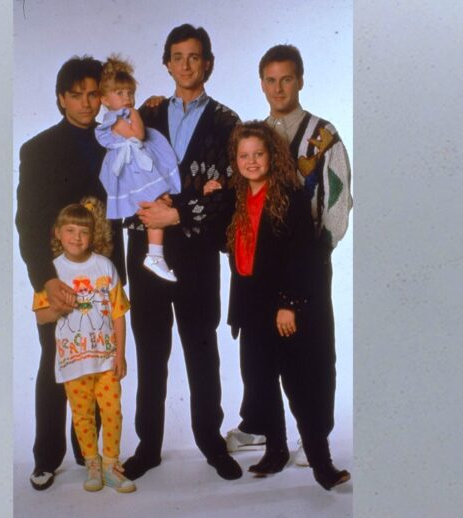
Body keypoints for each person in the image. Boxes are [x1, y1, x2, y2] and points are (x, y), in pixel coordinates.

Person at [121, 23, 242, 481]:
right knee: (151, 351)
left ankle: (211, 443)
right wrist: (158, 214)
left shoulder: (228, 122)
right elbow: (124, 174)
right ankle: (148, 446)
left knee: (201, 348)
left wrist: (179, 214)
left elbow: (228, 192)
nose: (186, 64)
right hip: (147, 252)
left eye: (195, 56)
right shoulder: (145, 116)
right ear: (166, 63)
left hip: (195, 255)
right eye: (177, 56)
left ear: (207, 63)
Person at [224, 44, 352, 469]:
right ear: (261, 83)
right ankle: (269, 434)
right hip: (263, 271)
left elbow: (337, 200)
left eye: (287, 79)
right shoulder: (255, 133)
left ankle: (316, 437)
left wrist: (316, 256)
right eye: (270, 80)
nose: (278, 88)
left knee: (310, 356)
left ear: (300, 80)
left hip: (307, 264)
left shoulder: (322, 135)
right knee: (262, 357)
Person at [15, 55, 126, 491]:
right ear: (61, 98)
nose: (86, 103)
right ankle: (46, 456)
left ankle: (89, 452)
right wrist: (46, 279)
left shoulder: (112, 141)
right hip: (58, 276)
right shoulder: (38, 149)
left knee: (97, 361)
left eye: (93, 94)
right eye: (76, 95)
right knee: (55, 362)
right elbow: (27, 221)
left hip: (102, 273)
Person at [31, 198, 135, 493]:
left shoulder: (104, 267)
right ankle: (92, 465)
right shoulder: (52, 272)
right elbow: (40, 317)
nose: (77, 238)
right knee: (82, 414)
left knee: (112, 410)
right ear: (58, 233)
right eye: (70, 231)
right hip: (72, 362)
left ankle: (112, 466)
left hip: (105, 361)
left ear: (94, 234)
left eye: (84, 232)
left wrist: (121, 355)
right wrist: (61, 308)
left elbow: (118, 314)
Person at [96, 55, 181, 282]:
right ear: (104, 98)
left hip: (137, 168)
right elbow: (139, 135)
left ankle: (155, 254)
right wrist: (135, 112)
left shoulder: (122, 115)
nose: (128, 98)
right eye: (120, 93)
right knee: (154, 206)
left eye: (130, 93)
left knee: (158, 204)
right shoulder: (116, 119)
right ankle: (154, 255)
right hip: (132, 171)